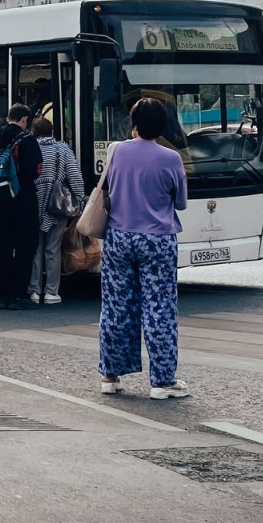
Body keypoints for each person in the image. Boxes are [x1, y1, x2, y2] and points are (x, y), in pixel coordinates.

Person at [99, 98, 189, 400]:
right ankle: (162, 382)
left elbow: (108, 188)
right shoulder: (171, 158)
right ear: (162, 125)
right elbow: (180, 203)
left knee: (115, 305)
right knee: (159, 307)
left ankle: (110, 375)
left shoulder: (116, 150)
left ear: (133, 122)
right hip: (157, 239)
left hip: (119, 237)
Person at [0, 104, 43, 310]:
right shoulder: (27, 139)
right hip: (23, 198)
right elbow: (36, 170)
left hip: (0, 197)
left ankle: (3, 294)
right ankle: (18, 294)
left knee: (4, 246)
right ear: (24, 119)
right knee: (25, 246)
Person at [29, 117, 84, 305]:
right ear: (52, 131)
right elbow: (75, 177)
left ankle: (34, 290)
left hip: (33, 202)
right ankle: (51, 292)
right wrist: (81, 199)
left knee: (35, 249)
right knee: (52, 249)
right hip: (56, 204)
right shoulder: (62, 150)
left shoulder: (31, 147)